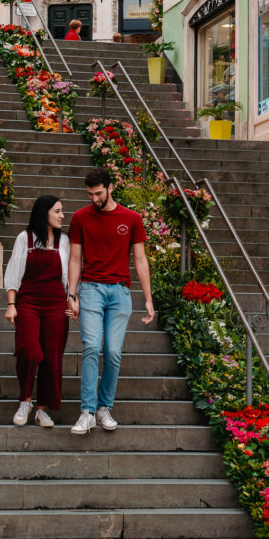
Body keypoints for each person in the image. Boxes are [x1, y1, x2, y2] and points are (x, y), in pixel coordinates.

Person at [67, 169, 154, 435]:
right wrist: (72, 294)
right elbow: (75, 259)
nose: (94, 199)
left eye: (98, 193)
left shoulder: (132, 219)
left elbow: (140, 260)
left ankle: (104, 407)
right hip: (91, 288)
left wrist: (148, 299)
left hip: (120, 292)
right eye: (90, 194)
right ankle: (87, 412)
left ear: (110, 187)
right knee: (92, 346)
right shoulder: (80, 218)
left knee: (113, 352)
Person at [4, 195, 70, 428]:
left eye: (62, 211)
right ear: (44, 213)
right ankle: (25, 401)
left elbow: (68, 275)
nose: (62, 216)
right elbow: (14, 271)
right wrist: (11, 305)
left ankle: (42, 409)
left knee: (52, 357)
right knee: (29, 351)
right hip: (28, 300)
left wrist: (72, 299)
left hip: (56, 302)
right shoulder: (25, 238)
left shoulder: (64, 241)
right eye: (57, 211)